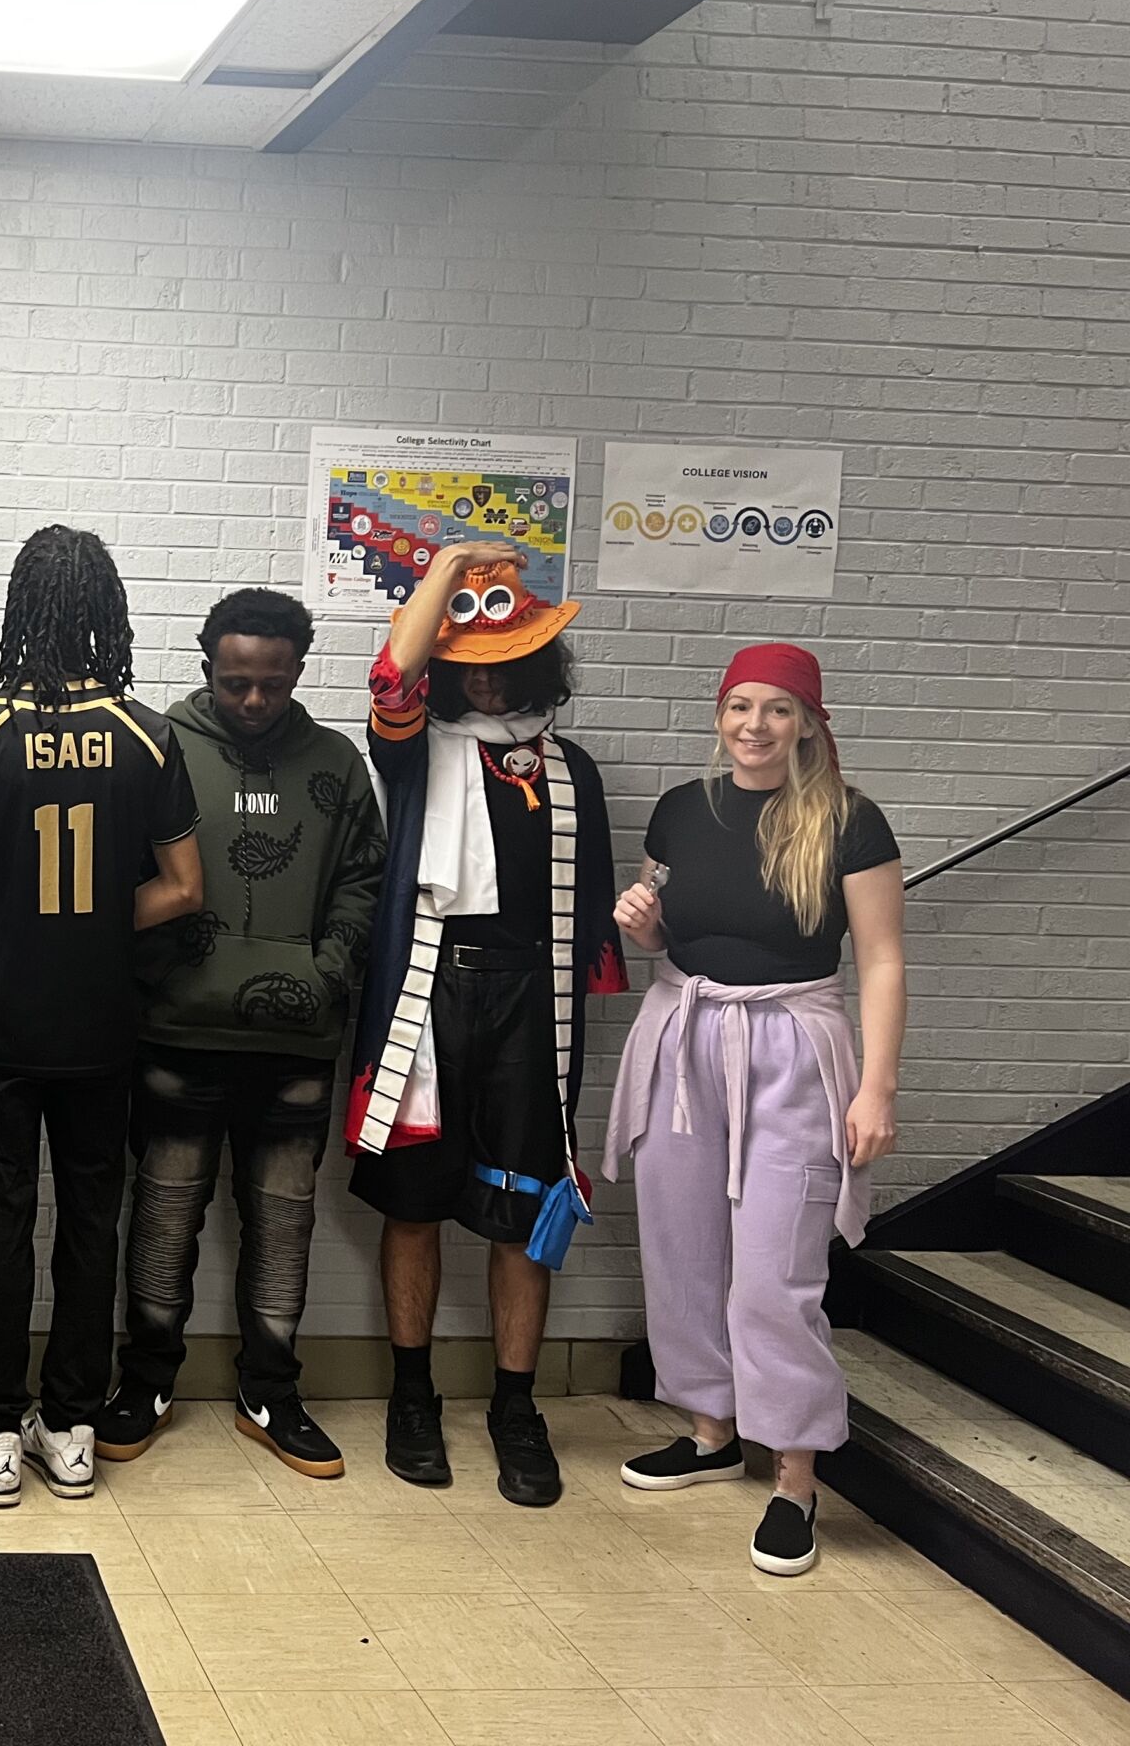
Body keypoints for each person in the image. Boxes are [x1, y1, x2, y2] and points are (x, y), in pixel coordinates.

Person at [0, 526, 204, 1509]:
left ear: (18, 607)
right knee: (92, 1217)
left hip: (0, 1018)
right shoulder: (147, 734)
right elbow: (182, 887)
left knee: (4, 1217)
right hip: (100, 1022)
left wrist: (8, 918)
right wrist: (89, 926)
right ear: (107, 614)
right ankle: (72, 1428)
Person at [607, 643, 904, 1577]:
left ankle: (796, 1478)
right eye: (740, 706)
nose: (755, 727)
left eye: (779, 710)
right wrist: (648, 930)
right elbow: (675, 924)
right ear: (719, 714)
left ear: (810, 722)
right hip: (684, 1035)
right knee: (682, 1244)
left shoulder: (851, 822)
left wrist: (877, 1086)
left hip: (791, 1049)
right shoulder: (681, 810)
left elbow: (883, 959)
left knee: (775, 1270)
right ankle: (708, 1432)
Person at [347, 539, 626, 1508]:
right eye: (471, 668)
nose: (492, 684)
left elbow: (589, 922)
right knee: (414, 1204)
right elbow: (390, 673)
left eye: (509, 665)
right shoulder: (415, 750)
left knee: (523, 1213)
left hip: (528, 1012)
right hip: (427, 999)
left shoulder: (571, 772)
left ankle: (516, 1405)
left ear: (539, 665)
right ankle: (411, 1396)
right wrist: (452, 564)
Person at [98, 587, 383, 1477]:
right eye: (234, 683)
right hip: (177, 1029)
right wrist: (154, 974)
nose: (252, 701)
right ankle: (145, 1380)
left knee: (284, 1220)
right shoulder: (158, 746)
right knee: (165, 1211)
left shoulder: (336, 761)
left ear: (298, 671)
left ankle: (271, 1390)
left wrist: (326, 971)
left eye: (271, 682)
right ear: (206, 667)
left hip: (297, 1038)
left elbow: (364, 882)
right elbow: (115, 874)